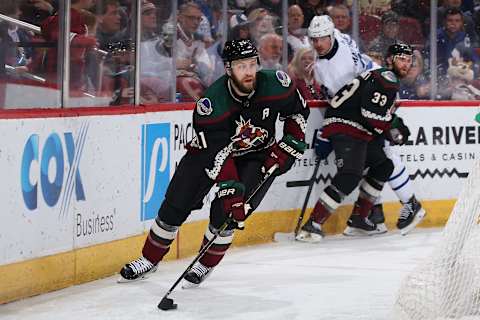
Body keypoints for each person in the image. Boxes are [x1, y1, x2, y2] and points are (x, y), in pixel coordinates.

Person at [119, 39, 309, 285]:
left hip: (256, 156)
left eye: (252, 64)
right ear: (228, 69)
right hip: (207, 154)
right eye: (241, 66)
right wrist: (232, 193)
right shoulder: (212, 104)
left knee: (226, 217)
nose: (249, 72)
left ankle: (204, 264)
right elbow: (218, 155)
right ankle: (149, 259)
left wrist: (291, 143)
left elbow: (297, 110)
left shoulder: (276, 84)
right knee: (176, 203)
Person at [305, 15, 426, 238]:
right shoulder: (338, 38)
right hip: (373, 92)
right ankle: (373, 215)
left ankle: (411, 203)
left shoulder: (333, 68)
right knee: (375, 161)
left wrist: (326, 132)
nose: (318, 43)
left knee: (384, 152)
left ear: (330, 35)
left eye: (322, 38)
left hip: (373, 98)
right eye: (314, 39)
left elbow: (342, 101)